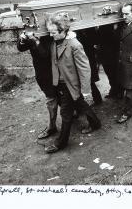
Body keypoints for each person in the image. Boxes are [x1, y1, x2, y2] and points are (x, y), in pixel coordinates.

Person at [43, 13, 101, 154]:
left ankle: (61, 142)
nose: (51, 35)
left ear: (63, 31)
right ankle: (96, 123)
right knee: (80, 103)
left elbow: (84, 68)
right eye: (50, 32)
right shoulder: (54, 42)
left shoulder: (74, 45)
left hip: (72, 84)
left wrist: (86, 89)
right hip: (61, 83)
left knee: (66, 113)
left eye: (54, 33)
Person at [17, 32, 58, 140]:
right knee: (53, 98)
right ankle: (70, 115)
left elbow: (45, 54)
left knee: (53, 99)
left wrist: (36, 40)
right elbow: (21, 48)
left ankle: (52, 127)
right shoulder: (33, 35)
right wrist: (21, 39)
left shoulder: (49, 35)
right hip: (41, 74)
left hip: (53, 73)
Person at [76, 28, 103, 105]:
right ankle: (97, 99)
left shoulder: (84, 34)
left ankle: (96, 99)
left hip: (87, 59)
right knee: (90, 81)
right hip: (87, 58)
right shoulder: (85, 32)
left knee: (89, 81)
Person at [96, 24, 121, 99]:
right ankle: (115, 90)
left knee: (114, 74)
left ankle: (118, 91)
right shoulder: (101, 30)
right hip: (106, 56)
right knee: (111, 75)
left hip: (112, 55)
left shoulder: (112, 31)